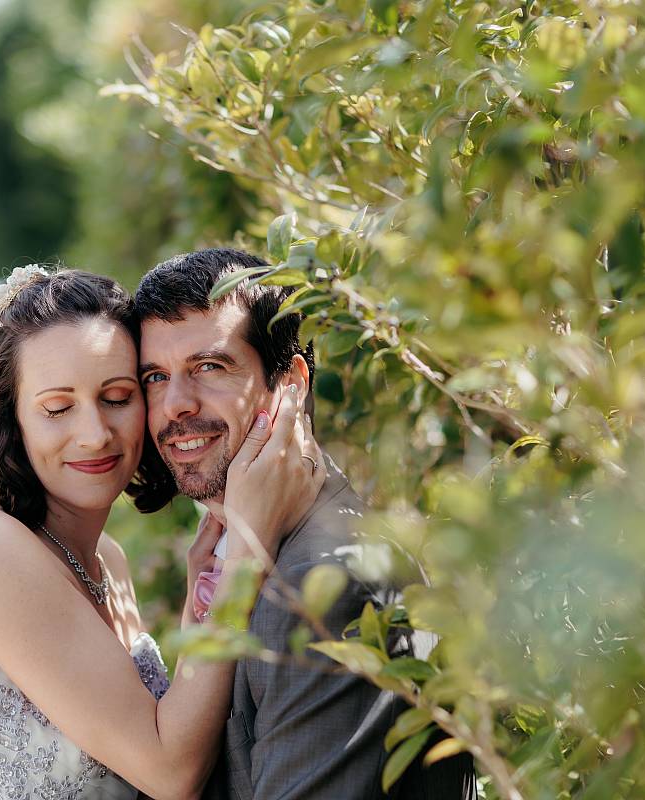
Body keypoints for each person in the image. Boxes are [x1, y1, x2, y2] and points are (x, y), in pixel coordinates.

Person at [0, 266, 326, 800]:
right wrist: (246, 555)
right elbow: (170, 772)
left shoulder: (107, 562)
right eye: (57, 408)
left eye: (117, 397)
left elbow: (164, 735)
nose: (94, 434)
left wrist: (202, 599)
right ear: (13, 418)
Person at [133, 248, 477, 800]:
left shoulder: (325, 581)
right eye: (155, 376)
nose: (174, 404)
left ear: (290, 383)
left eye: (209, 367)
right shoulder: (244, 554)